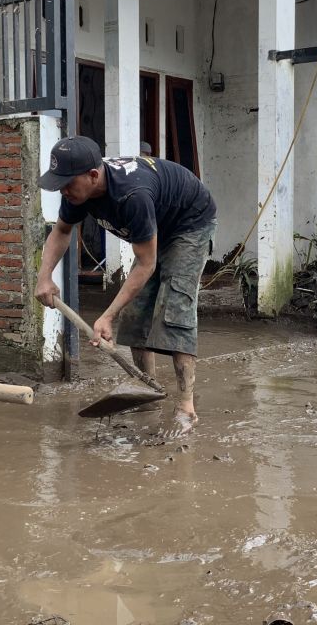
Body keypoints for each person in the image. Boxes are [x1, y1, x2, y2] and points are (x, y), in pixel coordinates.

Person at [34, 135, 217, 434]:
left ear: (93, 175)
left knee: (175, 309)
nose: (63, 191)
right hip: (156, 224)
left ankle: (186, 408)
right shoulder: (78, 193)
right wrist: (44, 275)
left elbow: (147, 264)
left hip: (189, 223)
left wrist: (107, 314)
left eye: (68, 183)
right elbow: (62, 230)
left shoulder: (132, 195)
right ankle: (148, 392)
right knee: (136, 312)